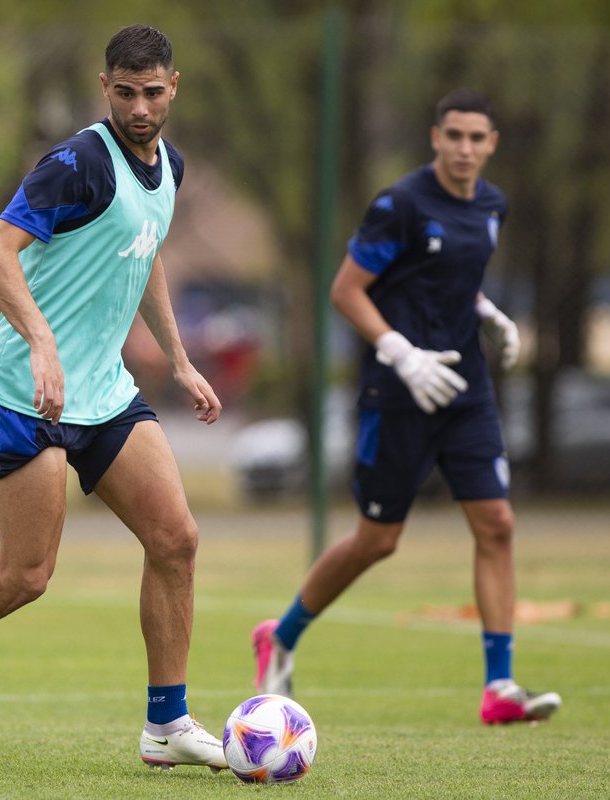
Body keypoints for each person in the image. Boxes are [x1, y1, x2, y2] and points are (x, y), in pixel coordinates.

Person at [0, 24, 228, 773]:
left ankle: (167, 724)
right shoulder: (78, 162)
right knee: (26, 575)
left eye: (153, 93)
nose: (140, 108)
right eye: (125, 93)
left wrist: (181, 361)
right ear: (105, 88)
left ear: (173, 87)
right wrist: (42, 342)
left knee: (176, 540)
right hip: (30, 395)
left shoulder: (169, 168)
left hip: (105, 394)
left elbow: (144, 253)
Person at [252, 88, 561, 725]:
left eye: (478, 138)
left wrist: (486, 313)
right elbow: (347, 290)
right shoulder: (401, 204)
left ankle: (499, 688)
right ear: (435, 137)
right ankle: (279, 635)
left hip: (465, 389)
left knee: (497, 523)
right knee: (377, 541)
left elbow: (449, 281)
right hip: (397, 391)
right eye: (455, 136)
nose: (465, 149)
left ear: (492, 143)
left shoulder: (493, 207)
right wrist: (399, 351)